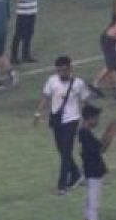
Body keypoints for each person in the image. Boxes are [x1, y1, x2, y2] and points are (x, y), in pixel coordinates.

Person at [35, 56, 88, 195]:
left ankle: (62, 185)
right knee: (62, 150)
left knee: (65, 153)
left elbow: (84, 102)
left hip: (72, 120)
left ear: (70, 69)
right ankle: (76, 174)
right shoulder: (52, 81)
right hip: (56, 120)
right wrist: (38, 114)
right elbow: (46, 97)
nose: (61, 74)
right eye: (59, 71)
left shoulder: (78, 83)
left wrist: (86, 121)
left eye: (64, 70)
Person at [79, 104, 116, 220]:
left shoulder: (86, 133)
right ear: (90, 118)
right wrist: (110, 134)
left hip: (92, 171)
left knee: (89, 203)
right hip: (93, 172)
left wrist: (109, 135)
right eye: (96, 118)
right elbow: (100, 149)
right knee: (93, 204)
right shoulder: (85, 134)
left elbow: (100, 149)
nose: (97, 121)